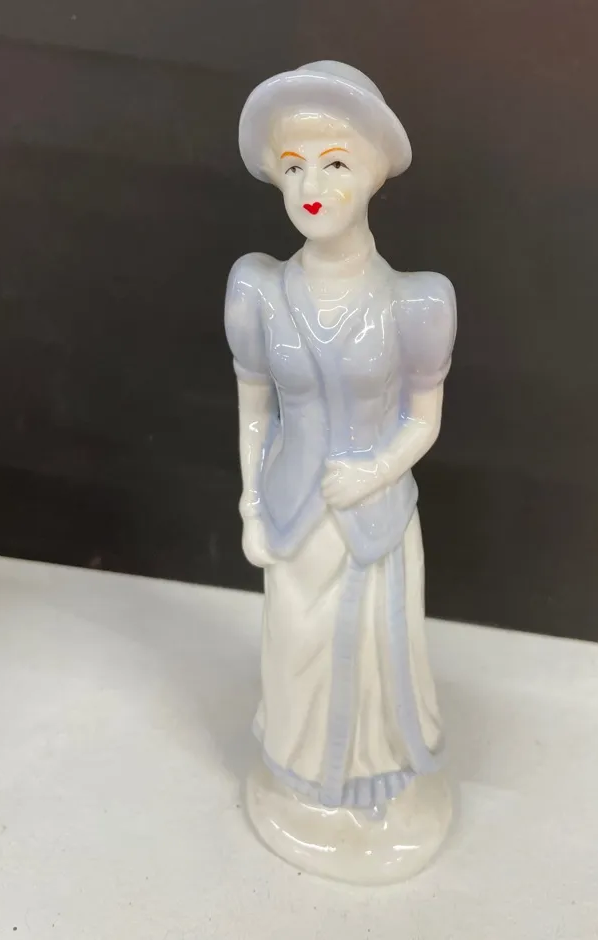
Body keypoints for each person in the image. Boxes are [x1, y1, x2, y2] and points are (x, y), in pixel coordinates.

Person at [225, 61, 457, 882]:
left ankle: (373, 791)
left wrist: (375, 471)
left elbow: (423, 418)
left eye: (334, 163)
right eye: (293, 168)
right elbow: (255, 410)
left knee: (374, 656)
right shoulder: (257, 291)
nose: (311, 187)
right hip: (295, 514)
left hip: (373, 516)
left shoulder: (416, 303)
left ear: (372, 174)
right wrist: (251, 506)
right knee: (298, 651)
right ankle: (303, 788)